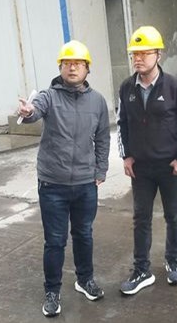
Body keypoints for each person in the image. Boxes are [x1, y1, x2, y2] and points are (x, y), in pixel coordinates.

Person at [16, 40, 110, 317]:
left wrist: (100, 170)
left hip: (85, 184)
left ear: (87, 68)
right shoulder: (49, 96)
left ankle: (85, 280)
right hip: (53, 185)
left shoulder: (97, 101)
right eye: (67, 63)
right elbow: (35, 111)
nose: (72, 67)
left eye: (78, 63)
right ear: (60, 67)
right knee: (55, 241)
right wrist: (28, 112)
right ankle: (52, 291)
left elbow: (103, 138)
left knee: (84, 234)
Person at [116, 25, 177, 295]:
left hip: (170, 167)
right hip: (141, 168)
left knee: (173, 215)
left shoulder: (175, 87)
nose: (138, 59)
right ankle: (141, 270)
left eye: (144, 53)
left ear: (158, 55)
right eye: (134, 54)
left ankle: (173, 261)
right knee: (141, 218)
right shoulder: (127, 88)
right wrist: (126, 155)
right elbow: (122, 123)